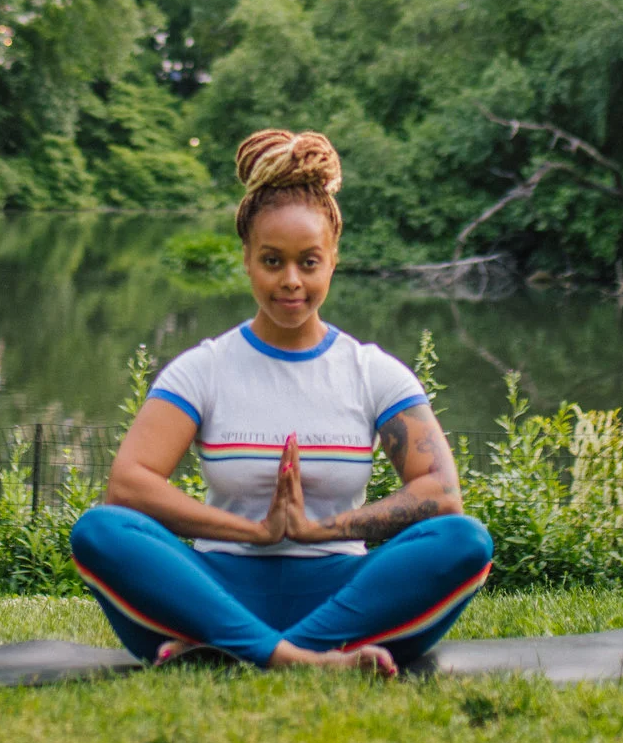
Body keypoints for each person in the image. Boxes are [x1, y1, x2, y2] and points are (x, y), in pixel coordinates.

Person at [69, 129, 494, 676]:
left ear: (332, 260)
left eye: (308, 262)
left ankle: (244, 651)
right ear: (246, 259)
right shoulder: (205, 369)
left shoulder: (372, 372)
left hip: (342, 594)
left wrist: (321, 530)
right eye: (272, 261)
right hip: (217, 587)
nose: (291, 281)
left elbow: (440, 492)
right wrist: (256, 532)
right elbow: (129, 484)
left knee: (463, 540)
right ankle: (303, 659)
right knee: (101, 530)